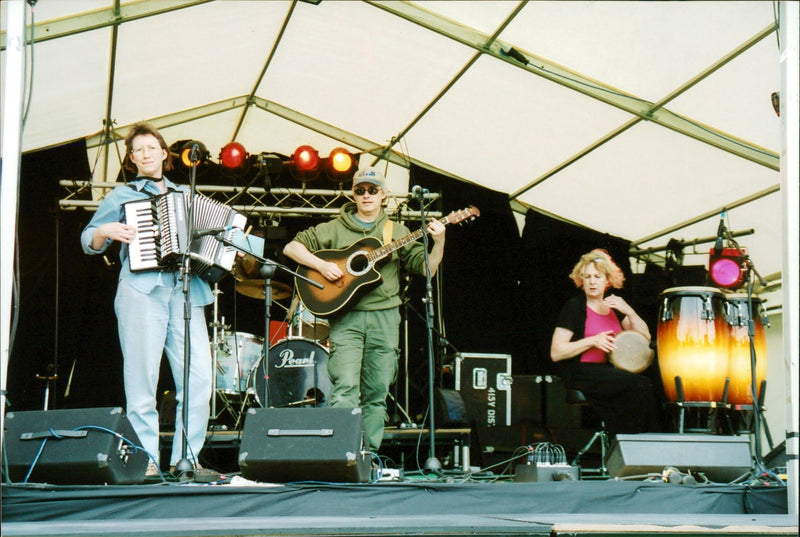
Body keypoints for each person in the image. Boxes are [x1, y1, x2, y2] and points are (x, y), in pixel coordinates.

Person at [81, 123, 213, 476]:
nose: (145, 154)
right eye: (137, 150)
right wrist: (103, 231)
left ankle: (187, 459)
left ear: (164, 154)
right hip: (141, 292)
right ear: (132, 158)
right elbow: (88, 240)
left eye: (151, 148)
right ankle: (148, 461)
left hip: (185, 292)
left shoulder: (187, 195)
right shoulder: (122, 196)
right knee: (142, 380)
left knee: (199, 378)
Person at [283, 167, 446, 451]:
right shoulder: (332, 228)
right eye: (360, 190)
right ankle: (340, 453)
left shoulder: (397, 232)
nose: (366, 195)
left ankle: (367, 457)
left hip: (385, 317)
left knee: (377, 392)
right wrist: (322, 266)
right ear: (353, 194)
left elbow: (426, 269)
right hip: (347, 318)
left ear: (384, 195)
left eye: (373, 190)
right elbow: (291, 248)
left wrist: (440, 240)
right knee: (345, 388)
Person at [550, 248, 661, 435]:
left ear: (607, 280)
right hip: (584, 373)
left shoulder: (614, 306)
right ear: (581, 280)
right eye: (587, 277)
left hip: (610, 372)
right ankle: (632, 442)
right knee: (637, 385)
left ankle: (640, 442)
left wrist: (629, 311)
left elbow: (645, 339)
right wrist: (592, 341)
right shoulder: (574, 307)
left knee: (648, 384)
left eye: (597, 276)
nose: (592, 282)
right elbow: (556, 352)